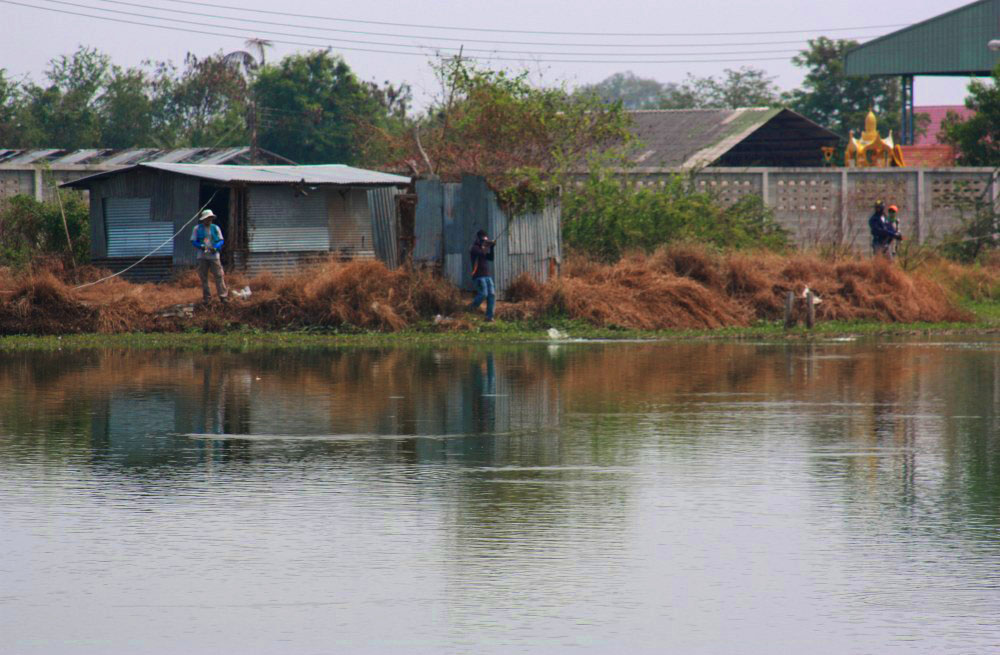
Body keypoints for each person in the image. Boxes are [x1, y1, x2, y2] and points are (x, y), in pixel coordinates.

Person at [191, 209, 228, 303]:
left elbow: (221, 240)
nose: (209, 220)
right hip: (202, 256)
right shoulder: (197, 228)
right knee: (203, 277)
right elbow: (193, 241)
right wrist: (201, 246)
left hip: (214, 255)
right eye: (207, 218)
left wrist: (216, 247)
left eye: (210, 218)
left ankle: (223, 296)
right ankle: (207, 298)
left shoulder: (215, 228)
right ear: (203, 219)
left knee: (219, 275)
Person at [468, 229, 496, 321]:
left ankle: (489, 317)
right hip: (479, 276)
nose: (485, 241)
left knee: (491, 294)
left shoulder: (482, 248)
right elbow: (480, 253)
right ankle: (471, 308)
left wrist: (491, 248)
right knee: (483, 294)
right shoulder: (474, 248)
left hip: (487, 275)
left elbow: (491, 258)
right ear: (479, 239)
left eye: (485, 240)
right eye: (483, 240)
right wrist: (486, 245)